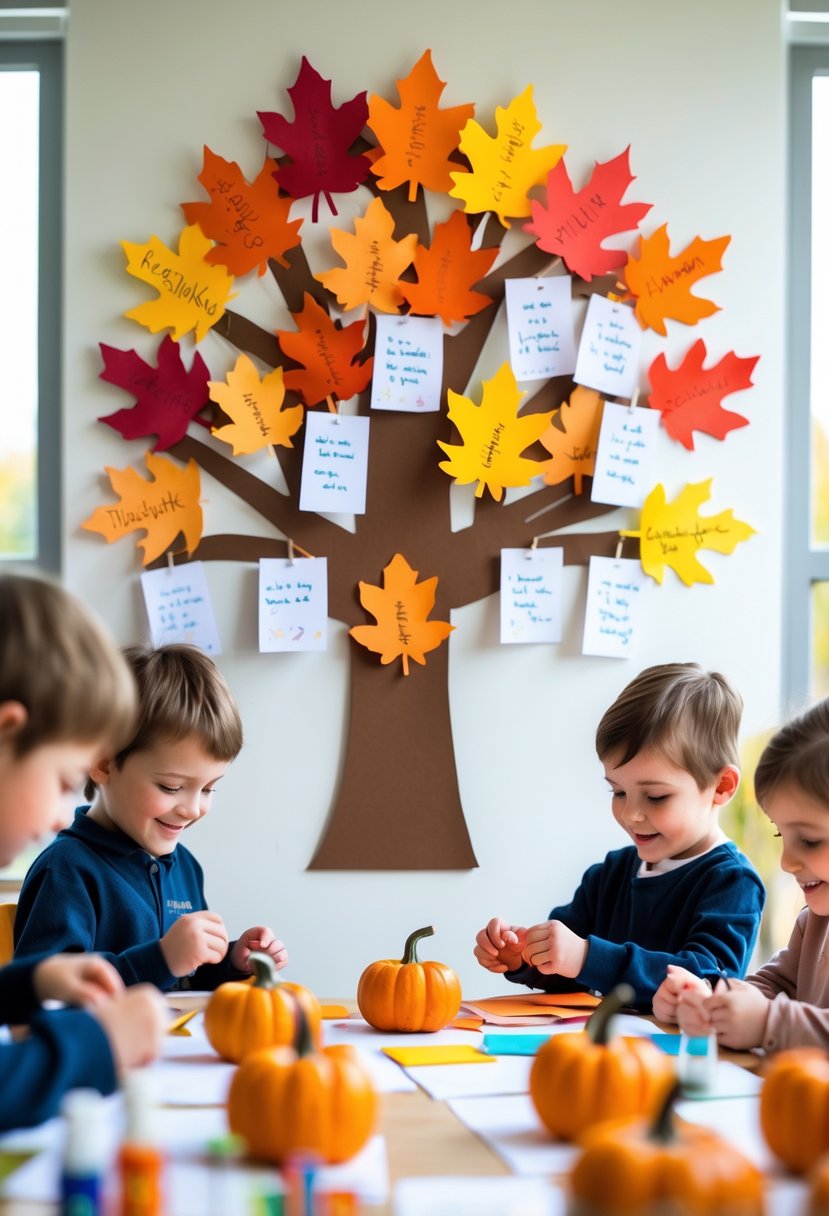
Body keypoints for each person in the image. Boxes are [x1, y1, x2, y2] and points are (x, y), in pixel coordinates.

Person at [474, 663, 765, 1009]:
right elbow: (568, 970)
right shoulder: (610, 874)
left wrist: (585, 956)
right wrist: (524, 956)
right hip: (602, 1051)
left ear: (721, 786)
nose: (630, 814)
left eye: (656, 796)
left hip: (672, 1058)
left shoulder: (733, 883)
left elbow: (705, 982)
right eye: (618, 792)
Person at [14, 643, 288, 991]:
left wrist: (229, 962)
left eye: (208, 789)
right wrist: (161, 959)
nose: (193, 809)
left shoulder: (185, 866)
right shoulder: (66, 869)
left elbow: (184, 978)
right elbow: (44, 991)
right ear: (103, 763)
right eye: (171, 787)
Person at [0, 571, 167, 1130]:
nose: (57, 816)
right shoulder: (70, 862)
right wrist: (102, 1044)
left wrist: (31, 982)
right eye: (65, 780)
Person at [656, 697, 829, 1050]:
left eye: (809, 840)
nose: (787, 862)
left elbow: (771, 1015)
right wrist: (712, 1001)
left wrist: (769, 1022)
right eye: (782, 834)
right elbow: (772, 985)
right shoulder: (813, 923)